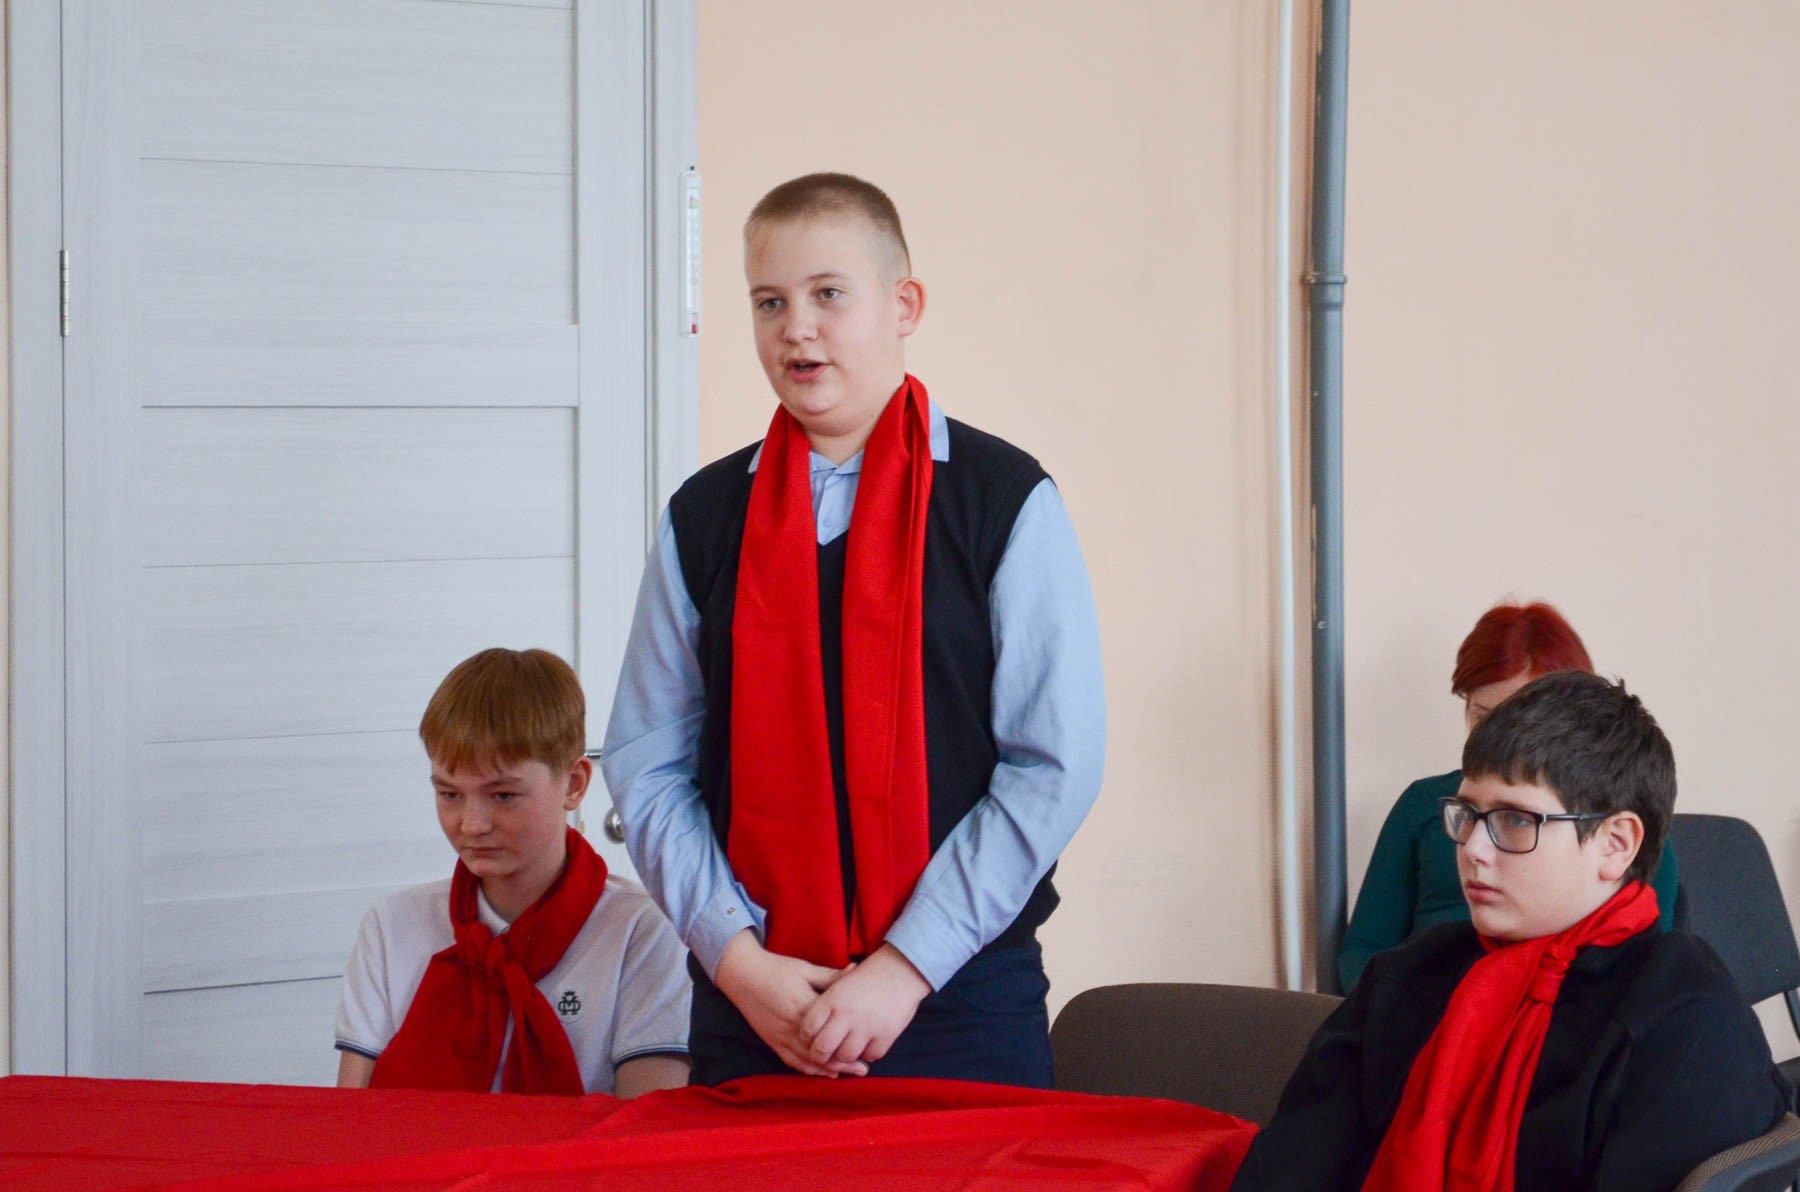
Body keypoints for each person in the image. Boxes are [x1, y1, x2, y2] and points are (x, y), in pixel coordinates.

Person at [602, 173, 1105, 1088]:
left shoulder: (1004, 500)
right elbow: (649, 761)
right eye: (770, 302)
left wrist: (904, 968)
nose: (797, 328)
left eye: (829, 294)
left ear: (904, 305)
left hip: (960, 999)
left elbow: (1051, 767)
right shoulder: (704, 517)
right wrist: (737, 962)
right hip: (757, 1007)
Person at [1233, 671, 1792, 1191]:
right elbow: (1286, 1170)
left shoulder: (1685, 1017)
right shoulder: (1411, 975)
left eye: (1516, 820)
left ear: (1616, 844)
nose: (1473, 849)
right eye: (1468, 815)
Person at [334, 648, 692, 1096]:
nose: (472, 825)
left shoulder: (642, 932)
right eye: (449, 794)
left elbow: (644, 1126)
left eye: (502, 796)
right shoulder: (391, 925)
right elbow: (353, 1115)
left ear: (574, 784)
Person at [1339, 601, 1679, 990]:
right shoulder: (1421, 803)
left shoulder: (1621, 836)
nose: (1475, 850)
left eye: (1518, 820)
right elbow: (1364, 946)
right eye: (1482, 716)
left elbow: (1643, 963)